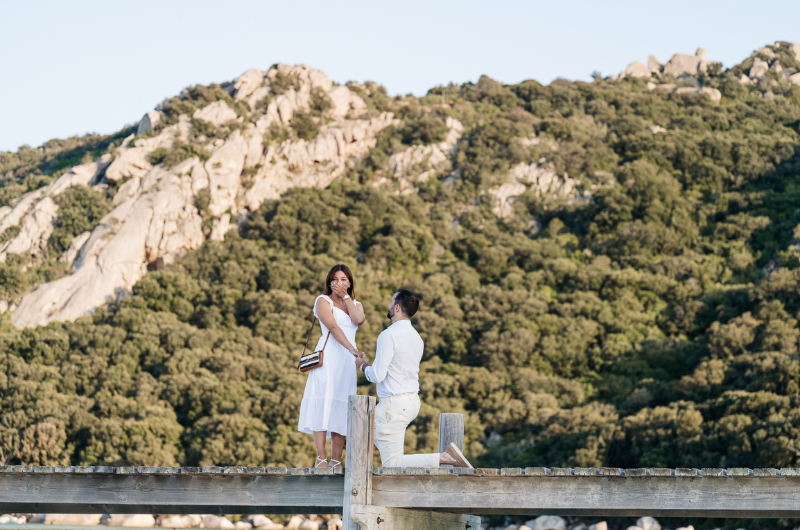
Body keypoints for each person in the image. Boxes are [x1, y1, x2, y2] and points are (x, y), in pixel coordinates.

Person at [353, 289, 472, 469]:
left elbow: (377, 375)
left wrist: (363, 366)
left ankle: (444, 458)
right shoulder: (417, 338)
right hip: (411, 402)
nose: (388, 305)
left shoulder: (388, 335)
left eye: (391, 302)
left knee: (392, 462)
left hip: (393, 405)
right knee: (364, 434)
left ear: (397, 307)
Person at [298, 264, 365, 469]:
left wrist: (346, 297)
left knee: (341, 405)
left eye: (344, 279)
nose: (339, 283)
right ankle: (321, 459)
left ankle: (337, 460)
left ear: (350, 282)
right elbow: (333, 327)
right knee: (322, 401)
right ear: (329, 282)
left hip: (346, 363)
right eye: (335, 279)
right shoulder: (322, 301)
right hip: (328, 359)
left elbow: (359, 320)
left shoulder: (356, 304)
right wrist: (352, 349)